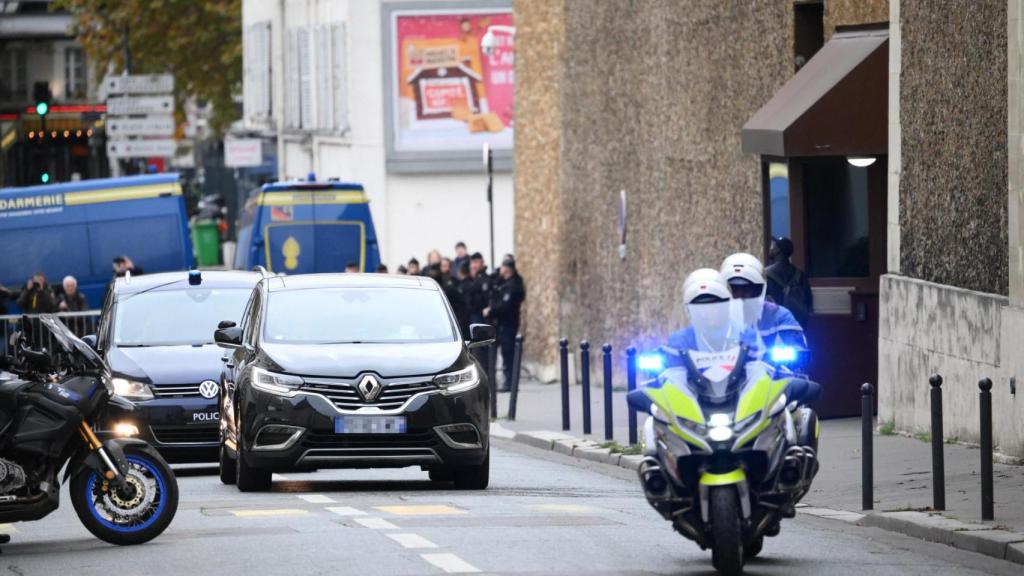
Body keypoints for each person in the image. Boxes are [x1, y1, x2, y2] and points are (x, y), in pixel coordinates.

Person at [720, 253, 806, 350]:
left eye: (746, 289)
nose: (740, 296)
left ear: (758, 290)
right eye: (735, 290)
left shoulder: (779, 316)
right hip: (723, 365)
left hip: (768, 364)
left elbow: (798, 352)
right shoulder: (716, 317)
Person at [485, 257, 525, 391]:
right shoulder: (504, 282)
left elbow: (505, 305)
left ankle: (510, 383)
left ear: (507, 269)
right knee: (504, 353)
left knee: (508, 354)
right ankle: (507, 382)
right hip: (502, 324)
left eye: (502, 267)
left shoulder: (513, 285)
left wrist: (491, 310)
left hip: (509, 323)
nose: (499, 269)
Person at [765, 237, 813, 330]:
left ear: (778, 250)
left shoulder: (765, 274)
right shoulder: (800, 275)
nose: (771, 248)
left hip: (773, 327)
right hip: (795, 325)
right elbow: (809, 302)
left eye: (773, 246)